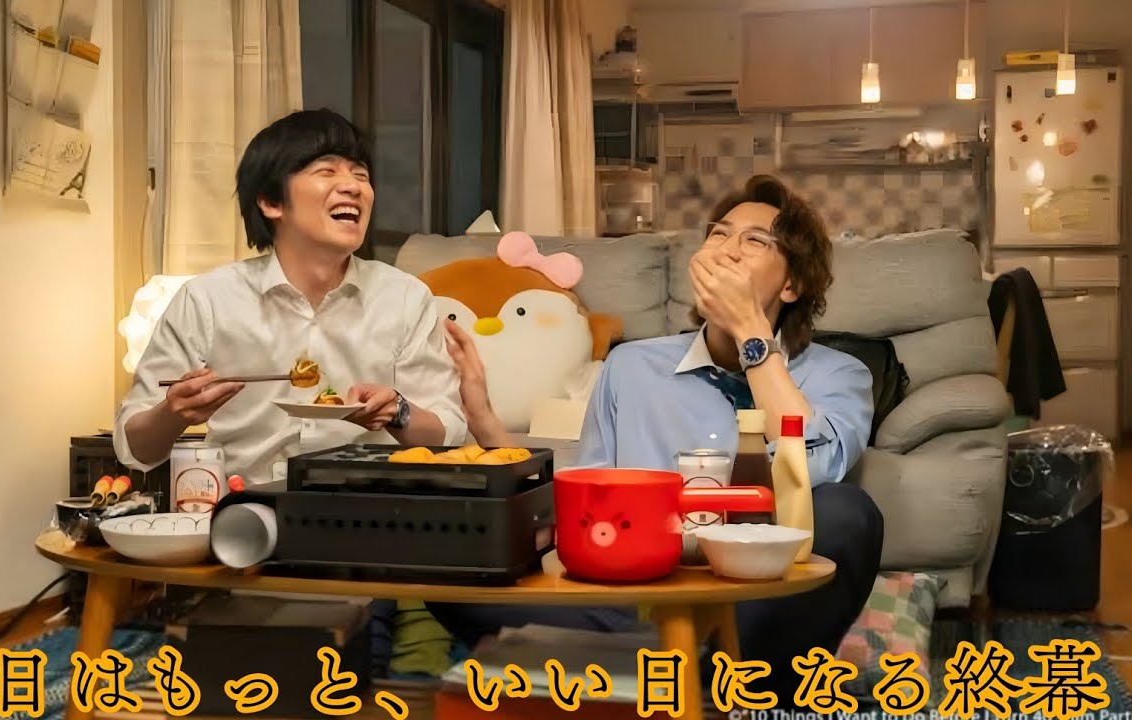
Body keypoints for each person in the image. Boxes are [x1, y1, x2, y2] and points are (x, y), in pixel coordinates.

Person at [434, 174, 884, 704]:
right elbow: (585, 505)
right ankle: (682, 664)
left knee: (849, 514)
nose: (727, 250)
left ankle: (681, 669)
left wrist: (751, 335)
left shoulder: (838, 374)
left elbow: (810, 467)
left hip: (761, 598)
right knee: (448, 546)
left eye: (755, 241)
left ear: (791, 286)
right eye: (719, 234)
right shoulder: (631, 366)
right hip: (637, 597)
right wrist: (486, 423)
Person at [114, 109, 466, 485]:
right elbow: (134, 449)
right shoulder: (207, 300)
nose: (353, 187)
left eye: (360, 175)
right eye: (326, 171)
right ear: (271, 201)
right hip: (244, 504)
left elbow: (447, 435)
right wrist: (173, 413)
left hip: (369, 506)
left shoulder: (405, 298)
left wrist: (398, 411)